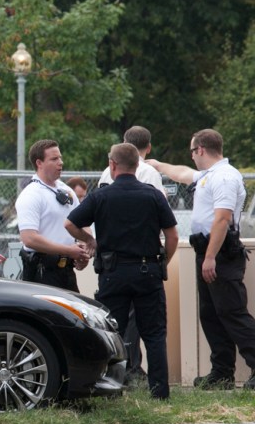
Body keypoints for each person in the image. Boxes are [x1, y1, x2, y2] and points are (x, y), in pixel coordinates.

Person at [65, 143, 178, 399]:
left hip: (113, 273)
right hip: (148, 271)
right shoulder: (153, 195)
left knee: (110, 334)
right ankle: (160, 393)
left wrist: (90, 240)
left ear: (112, 165)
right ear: (137, 165)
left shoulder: (100, 196)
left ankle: (110, 390)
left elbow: (69, 224)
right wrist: (163, 263)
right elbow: (172, 236)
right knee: (154, 334)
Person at [147, 128, 255, 390]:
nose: (192, 157)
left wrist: (210, 257)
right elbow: (183, 173)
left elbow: (222, 219)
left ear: (201, 150)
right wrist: (157, 165)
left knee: (232, 312)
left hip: (220, 253)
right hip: (207, 251)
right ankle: (222, 372)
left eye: (192, 151)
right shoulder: (209, 175)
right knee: (211, 314)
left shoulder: (225, 177)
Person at [98, 126, 166, 383]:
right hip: (143, 258)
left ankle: (115, 375)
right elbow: (162, 216)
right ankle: (136, 370)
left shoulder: (107, 173)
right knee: (147, 324)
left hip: (111, 260)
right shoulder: (149, 173)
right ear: (148, 148)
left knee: (114, 323)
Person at [15, 139, 89, 292]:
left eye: (60, 158)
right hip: (42, 272)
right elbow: (29, 238)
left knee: (74, 308)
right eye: (54, 159)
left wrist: (83, 251)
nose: (60, 162)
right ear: (39, 163)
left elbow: (82, 223)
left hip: (66, 271)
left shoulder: (66, 190)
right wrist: (69, 250)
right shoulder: (31, 194)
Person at [98, 126, 165, 193]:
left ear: (124, 144)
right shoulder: (150, 173)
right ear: (149, 147)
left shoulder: (107, 171)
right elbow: (159, 198)